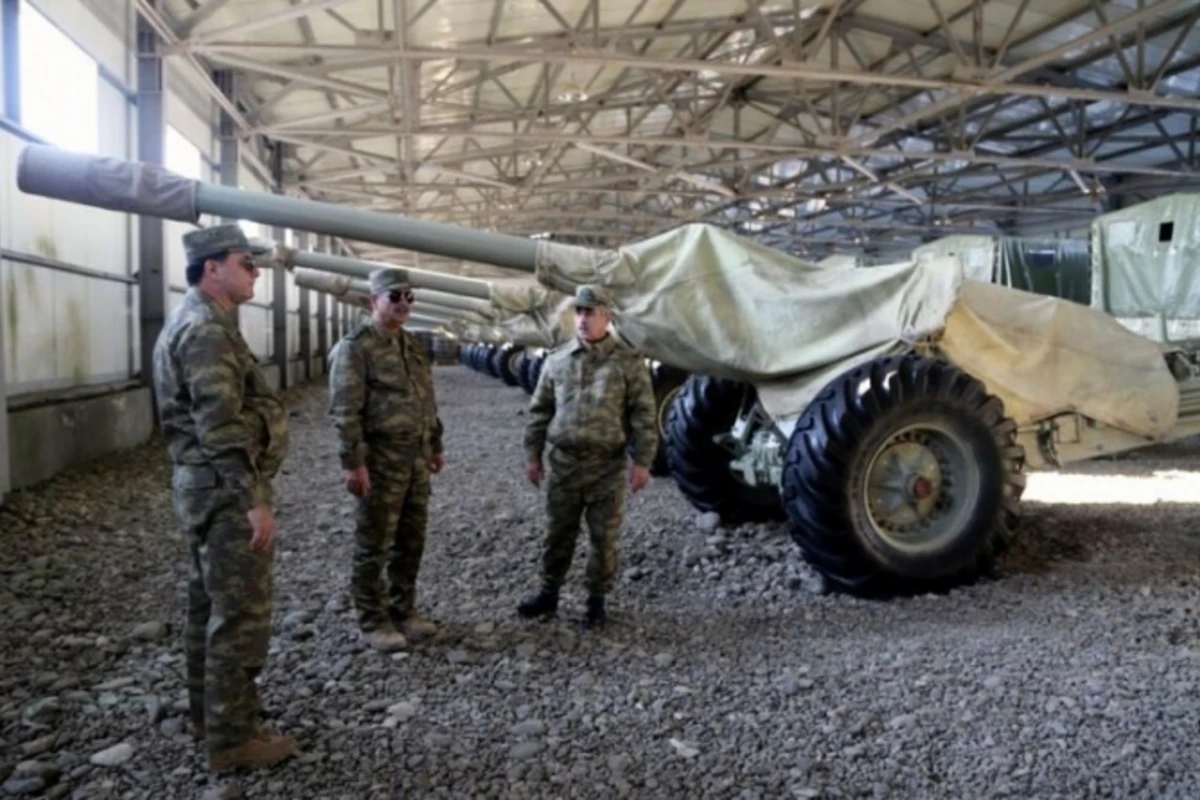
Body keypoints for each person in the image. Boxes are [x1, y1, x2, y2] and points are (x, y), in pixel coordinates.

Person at [152, 223, 296, 773]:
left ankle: (209, 715)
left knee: (206, 604)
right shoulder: (207, 330)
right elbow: (220, 427)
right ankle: (233, 740)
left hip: (203, 485)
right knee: (240, 613)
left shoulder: (203, 320)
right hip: (224, 488)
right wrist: (252, 498)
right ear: (212, 267)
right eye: (246, 262)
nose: (255, 272)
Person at [518, 284, 658, 629]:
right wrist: (533, 456)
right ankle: (549, 594)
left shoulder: (627, 362)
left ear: (606, 317)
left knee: (604, 539)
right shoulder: (557, 360)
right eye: (578, 311)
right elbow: (539, 411)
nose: (582, 318)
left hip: (606, 467)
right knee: (557, 533)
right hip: (564, 463)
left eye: (590, 312)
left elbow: (643, 415)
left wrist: (643, 462)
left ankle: (596, 602)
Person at [327, 268, 446, 652]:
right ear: (373, 300)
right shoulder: (356, 347)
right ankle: (372, 619)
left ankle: (403, 609)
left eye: (410, 297)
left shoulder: (410, 345)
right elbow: (345, 409)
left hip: (414, 458)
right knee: (374, 541)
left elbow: (425, 399)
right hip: (379, 460)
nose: (404, 304)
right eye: (395, 296)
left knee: (411, 539)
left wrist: (435, 443)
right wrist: (352, 462)